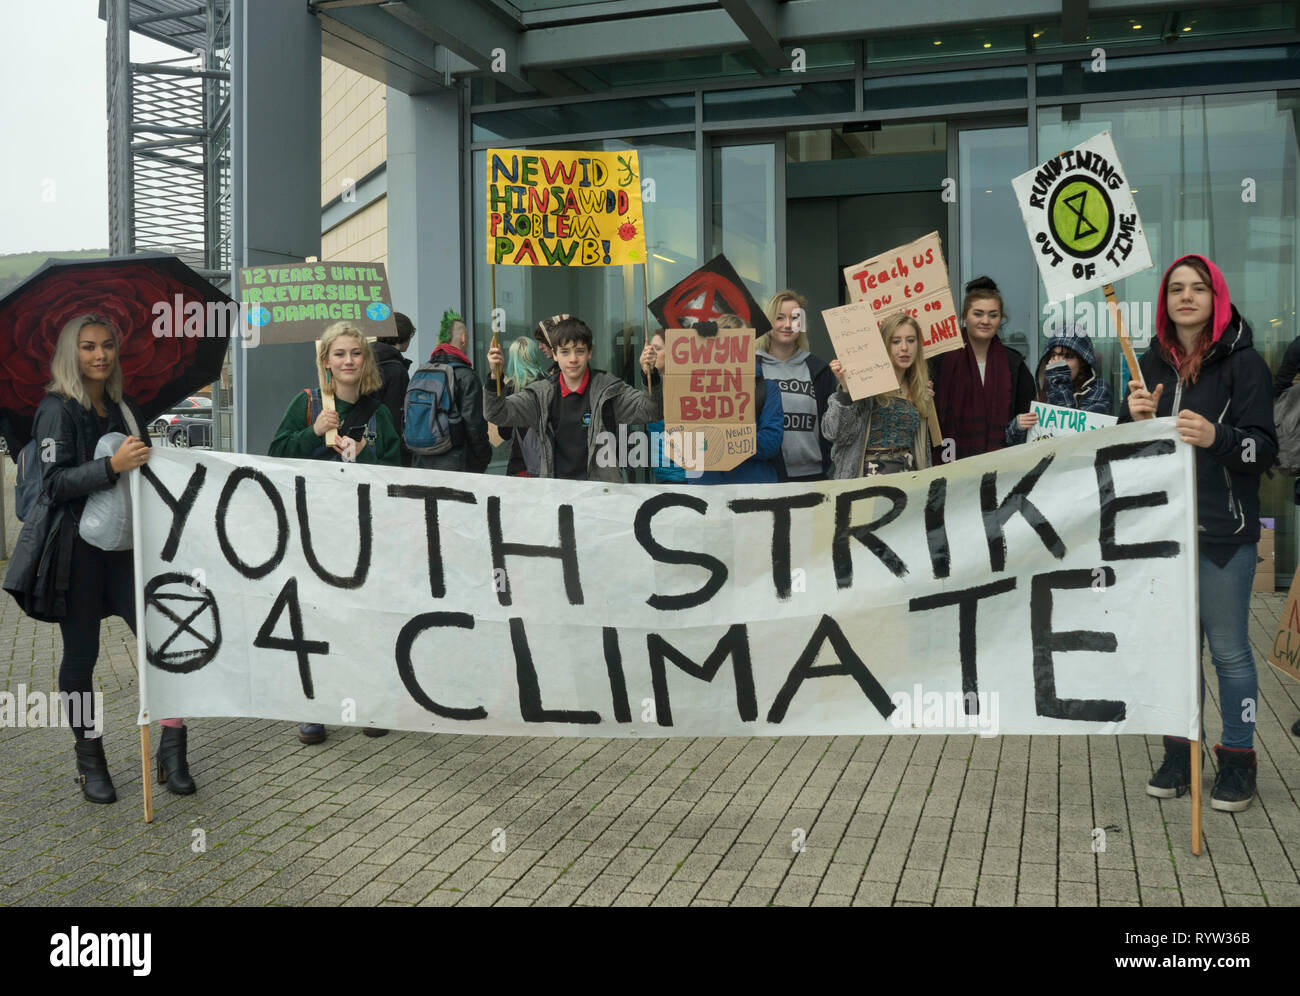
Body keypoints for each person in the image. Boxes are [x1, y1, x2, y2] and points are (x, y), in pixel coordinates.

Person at [1120, 254, 1277, 812]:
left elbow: (1265, 451)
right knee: (1174, 653)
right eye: (1176, 289)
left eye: (1199, 288)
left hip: (1223, 535)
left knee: (1229, 653)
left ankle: (1237, 759)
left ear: (1217, 298)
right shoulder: (1147, 365)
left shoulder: (1246, 364)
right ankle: (1178, 752)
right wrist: (1131, 417)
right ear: (1165, 303)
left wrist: (1218, 436)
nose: (1187, 297)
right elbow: (1129, 455)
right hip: (1164, 536)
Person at [19, 314, 194, 802]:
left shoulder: (125, 406)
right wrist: (109, 466)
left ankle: (172, 749)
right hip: (76, 555)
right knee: (81, 658)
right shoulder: (56, 409)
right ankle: (89, 760)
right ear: (70, 354)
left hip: (127, 550)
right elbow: (52, 485)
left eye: (108, 346)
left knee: (164, 646)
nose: (100, 355)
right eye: (88, 346)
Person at [269, 321, 401, 743]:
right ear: (325, 360)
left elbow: (399, 471)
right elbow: (275, 456)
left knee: (364, 619)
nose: (348, 361)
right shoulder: (307, 404)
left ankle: (367, 700)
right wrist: (314, 432)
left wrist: (369, 452)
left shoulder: (378, 414)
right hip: (315, 532)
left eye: (356, 353)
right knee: (316, 617)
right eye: (339, 354)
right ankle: (315, 706)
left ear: (366, 361)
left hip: (365, 534)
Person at [483, 316, 659, 482]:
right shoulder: (541, 395)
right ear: (555, 354)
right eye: (565, 352)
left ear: (590, 352)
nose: (573, 359)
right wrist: (494, 377)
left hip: (601, 499)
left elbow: (651, 410)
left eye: (580, 351)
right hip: (557, 497)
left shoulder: (609, 390)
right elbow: (497, 414)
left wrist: (650, 375)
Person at [652, 315, 784, 485]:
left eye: (742, 342)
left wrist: (721, 442)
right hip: (707, 489)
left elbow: (771, 441)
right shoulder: (694, 386)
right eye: (729, 342)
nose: (736, 349)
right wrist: (697, 342)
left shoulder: (767, 388)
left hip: (753, 488)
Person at [930, 276, 1036, 461]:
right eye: (978, 314)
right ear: (964, 316)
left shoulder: (1014, 364)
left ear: (1001, 319)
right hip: (950, 464)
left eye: (993, 315)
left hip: (1001, 467)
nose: (985, 321)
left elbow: (1026, 415)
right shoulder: (942, 361)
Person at [824, 312, 933, 477]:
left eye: (911, 340)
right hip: (866, 478)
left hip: (908, 478)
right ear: (883, 345)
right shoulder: (865, 382)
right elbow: (834, 433)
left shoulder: (919, 388)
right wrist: (847, 392)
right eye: (896, 341)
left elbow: (922, 449)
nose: (904, 347)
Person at [757, 290, 836, 482]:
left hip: (813, 475)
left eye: (794, 318)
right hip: (768, 475)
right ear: (768, 322)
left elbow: (831, 425)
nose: (787, 325)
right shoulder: (752, 368)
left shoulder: (819, 369)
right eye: (779, 318)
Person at [406, 309, 491, 474]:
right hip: (455, 465)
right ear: (464, 338)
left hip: (420, 463)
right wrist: (483, 458)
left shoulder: (420, 373)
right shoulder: (466, 376)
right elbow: (474, 426)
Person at [1005, 325, 1114, 445]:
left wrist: (1058, 380)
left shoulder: (1099, 389)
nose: (1058, 362)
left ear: (1082, 362)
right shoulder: (1042, 390)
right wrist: (1017, 427)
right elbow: (1019, 443)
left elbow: (1070, 435)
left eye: (1067, 356)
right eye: (1053, 355)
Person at [499, 335, 549, 476]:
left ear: (513, 360)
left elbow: (504, 433)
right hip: (548, 461)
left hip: (520, 463)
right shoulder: (549, 382)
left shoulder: (510, 388)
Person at [371, 311, 414, 461]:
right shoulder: (397, 369)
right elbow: (395, 414)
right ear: (405, 337)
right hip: (386, 447)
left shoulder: (364, 360)